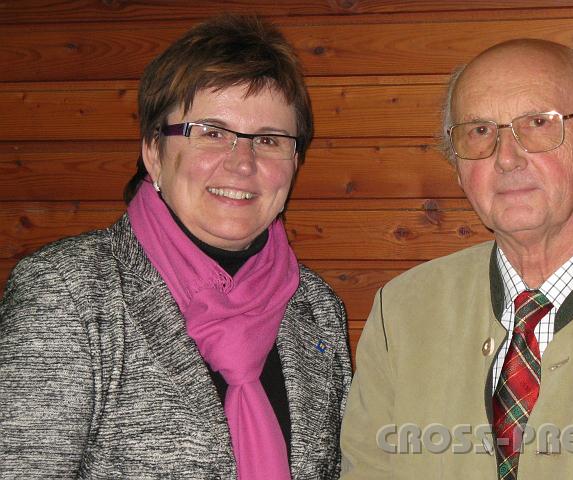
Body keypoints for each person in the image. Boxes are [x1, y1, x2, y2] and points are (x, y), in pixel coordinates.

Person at [340, 39, 573, 479]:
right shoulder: (400, 314)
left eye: (539, 123)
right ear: (458, 164)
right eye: (480, 131)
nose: (506, 157)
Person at [0, 15, 351, 480]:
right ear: (152, 152)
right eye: (211, 132)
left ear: (294, 162)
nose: (241, 162)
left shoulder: (317, 309)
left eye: (267, 139)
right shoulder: (67, 293)